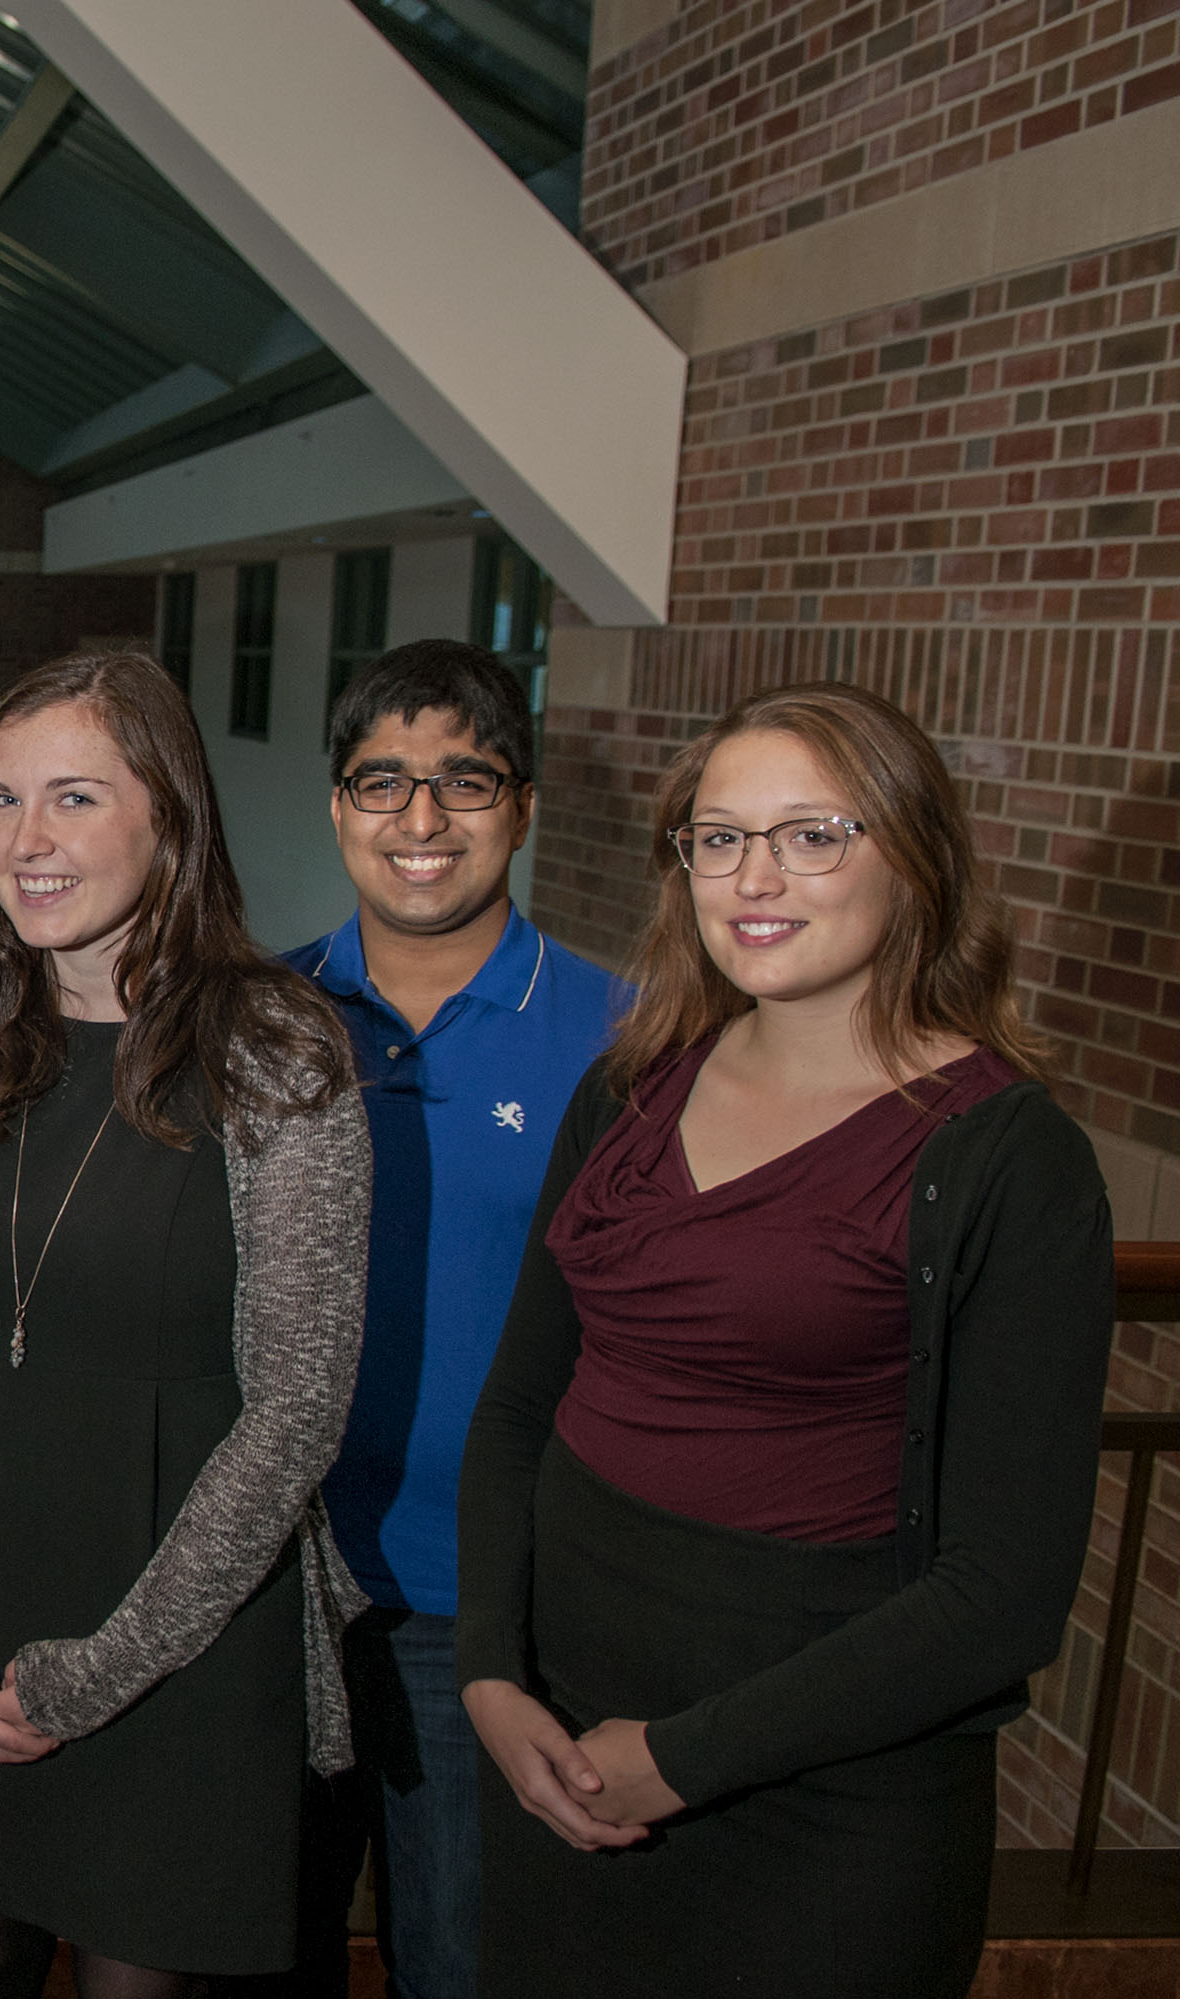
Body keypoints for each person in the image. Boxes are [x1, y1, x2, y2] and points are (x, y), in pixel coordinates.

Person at [455, 682, 1115, 1998]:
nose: (753, 874)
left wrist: (686, 1755)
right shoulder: (630, 1083)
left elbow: (1004, 1589)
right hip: (563, 1743)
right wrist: (488, 1672)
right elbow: (524, 1400)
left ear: (914, 856)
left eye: (814, 833)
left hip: (831, 1798)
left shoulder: (1007, 1159)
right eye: (717, 835)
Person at [0, 650, 371, 1997]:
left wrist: (102, 1669)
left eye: (73, 796)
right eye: (0, 802)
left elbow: (298, 1399)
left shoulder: (275, 1047)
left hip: (176, 1634)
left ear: (167, 814)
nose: (27, 841)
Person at [279, 641, 624, 1999]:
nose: (422, 820)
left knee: (464, 1963)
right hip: (278, 1585)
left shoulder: (624, 1037)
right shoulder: (262, 1014)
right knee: (257, 1955)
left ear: (523, 804)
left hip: (485, 1610)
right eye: (384, 781)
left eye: (465, 780)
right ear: (337, 804)